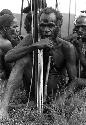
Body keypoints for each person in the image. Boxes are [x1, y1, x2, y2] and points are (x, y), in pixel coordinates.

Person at [0, 7, 77, 119]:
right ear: (38, 25)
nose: (46, 30)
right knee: (23, 59)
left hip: (54, 94)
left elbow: (74, 80)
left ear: (58, 25)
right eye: (42, 25)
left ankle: (34, 105)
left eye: (50, 25)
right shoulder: (32, 38)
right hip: (33, 92)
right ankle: (3, 107)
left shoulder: (67, 47)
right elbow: (8, 57)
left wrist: (61, 98)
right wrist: (34, 46)